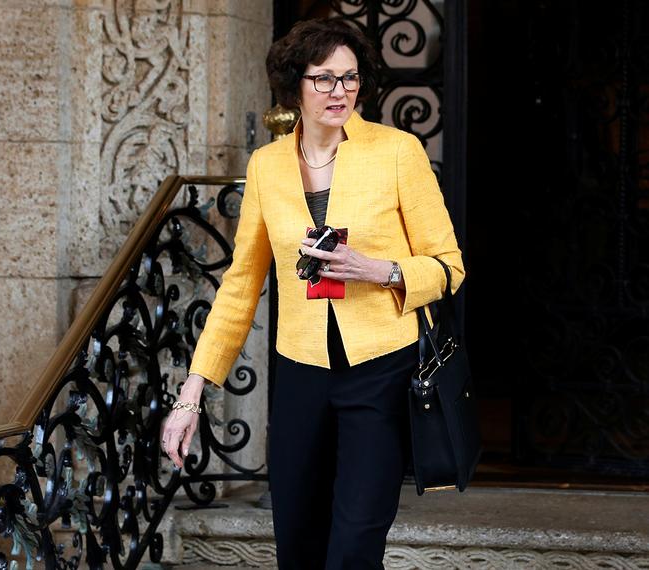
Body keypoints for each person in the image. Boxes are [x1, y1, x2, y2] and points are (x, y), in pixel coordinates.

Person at [160, 17, 466, 570]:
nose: (338, 91)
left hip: (382, 370)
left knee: (353, 546)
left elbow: (449, 267)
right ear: (294, 84)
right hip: (300, 372)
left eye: (349, 78)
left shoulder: (398, 152)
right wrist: (192, 394)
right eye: (323, 78)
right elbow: (240, 286)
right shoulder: (267, 165)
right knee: (298, 543)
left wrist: (379, 270)